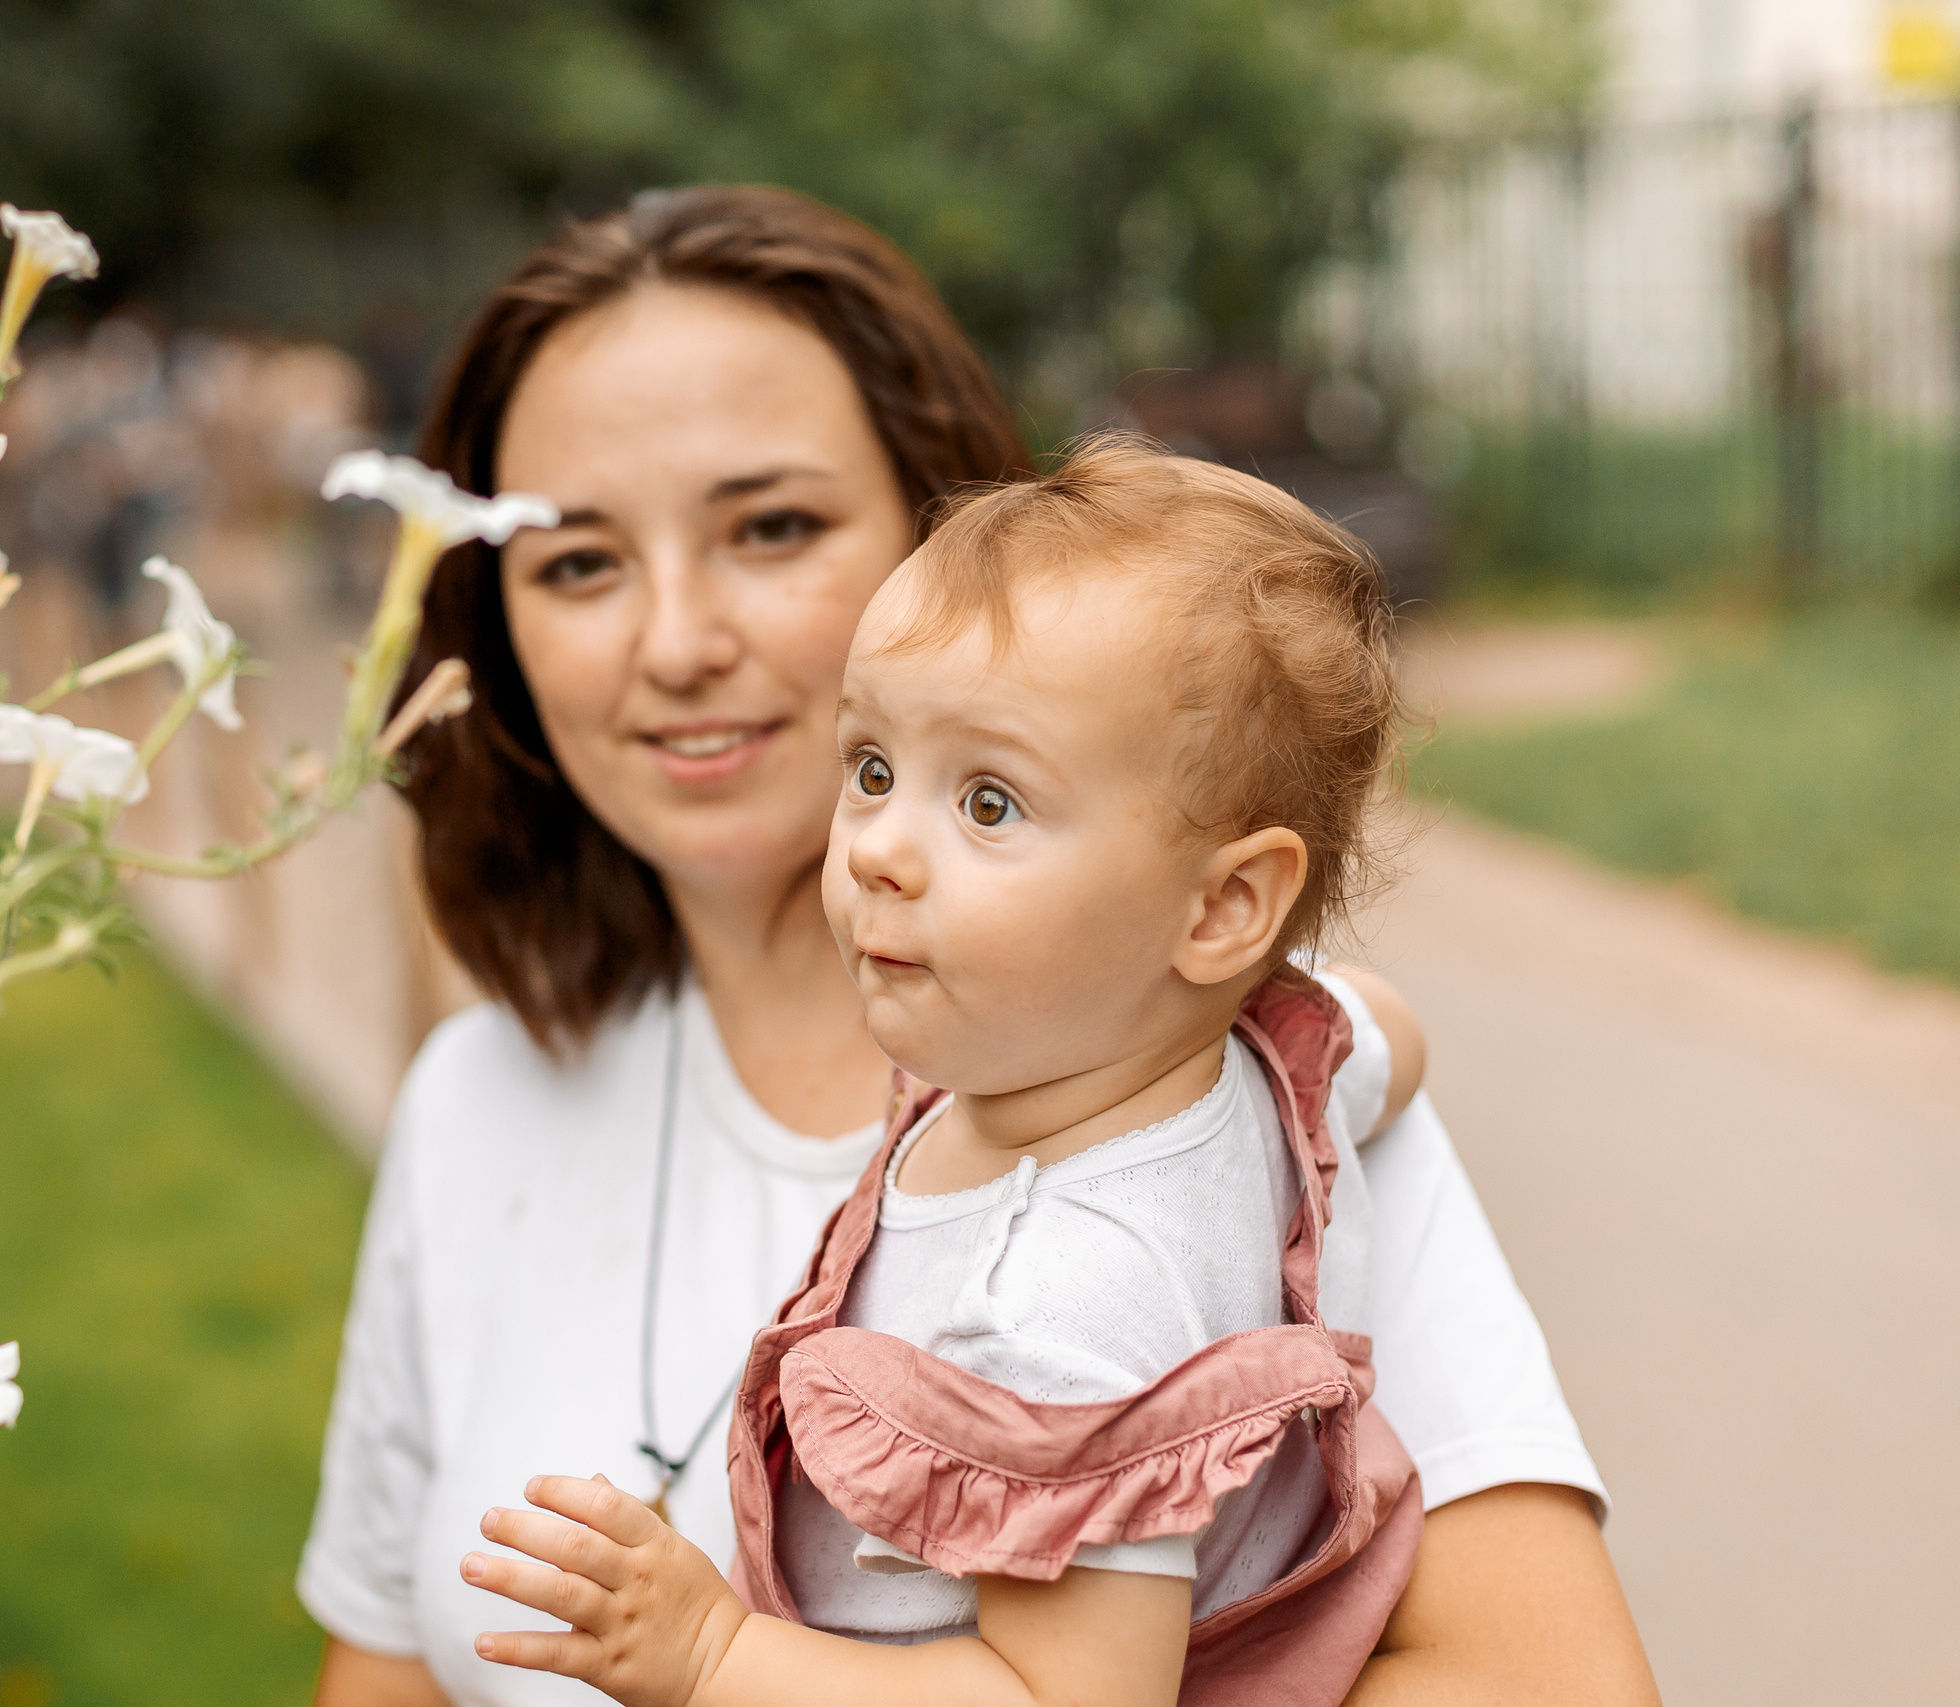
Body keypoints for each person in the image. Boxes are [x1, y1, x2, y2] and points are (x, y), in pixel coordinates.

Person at [300, 185, 1658, 1706]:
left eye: (773, 527)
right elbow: (386, 1668)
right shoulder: (476, 1101)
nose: (676, 639)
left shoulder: (1218, 1102)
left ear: (950, 546)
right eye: (577, 562)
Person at [460, 439, 1425, 1707]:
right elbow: (1378, 1036)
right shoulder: (1238, 1053)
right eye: (871, 771)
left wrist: (718, 1657)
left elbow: (1062, 1700)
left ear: (1224, 908)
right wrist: (1392, 1051)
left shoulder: (1056, 1311)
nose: (878, 852)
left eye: (987, 803)